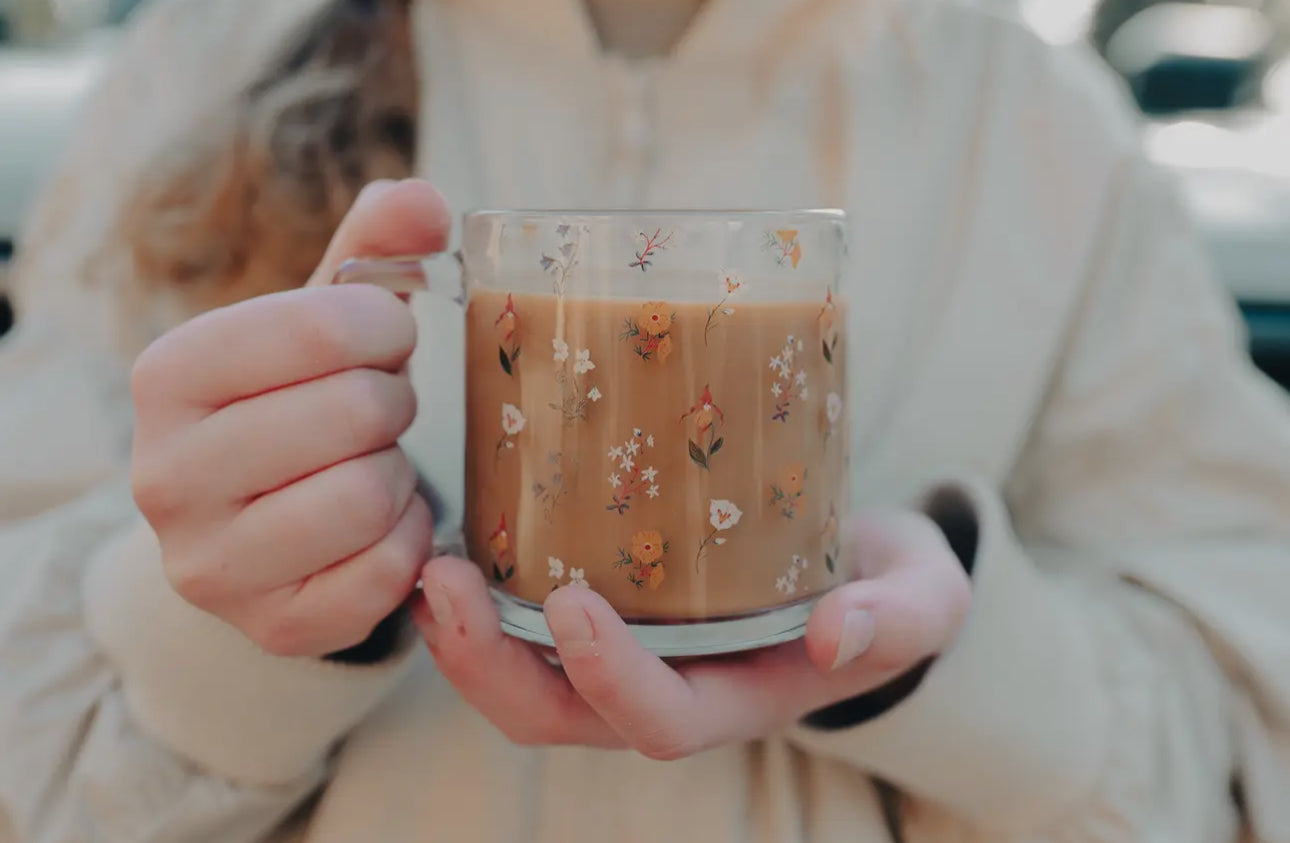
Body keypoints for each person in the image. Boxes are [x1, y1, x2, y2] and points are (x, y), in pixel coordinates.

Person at [1, 0, 1289, 840]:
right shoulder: (203, 68)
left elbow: (1239, 764)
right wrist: (221, 627)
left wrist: (955, 666)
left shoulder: (1041, 133)